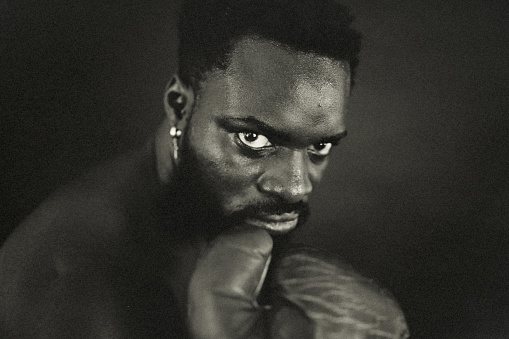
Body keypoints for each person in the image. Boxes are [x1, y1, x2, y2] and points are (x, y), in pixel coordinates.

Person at [0, 0, 409, 337]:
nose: (296, 187)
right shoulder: (82, 289)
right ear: (181, 105)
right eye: (253, 139)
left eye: (319, 146)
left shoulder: (206, 212)